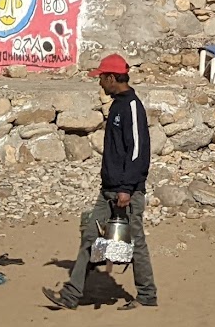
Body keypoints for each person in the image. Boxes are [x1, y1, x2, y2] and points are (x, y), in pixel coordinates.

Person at [46, 53, 156, 310]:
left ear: (111, 77)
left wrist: (127, 189)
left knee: (135, 242)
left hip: (125, 192)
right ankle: (71, 295)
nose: (99, 84)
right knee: (90, 237)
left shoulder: (131, 106)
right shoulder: (117, 105)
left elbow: (139, 152)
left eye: (101, 79)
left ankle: (147, 295)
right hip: (108, 190)